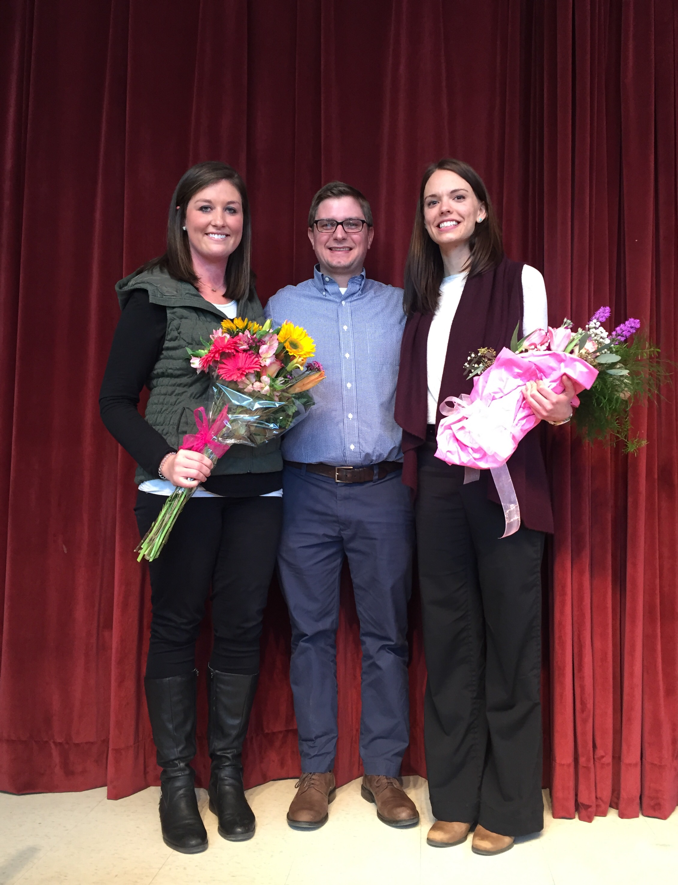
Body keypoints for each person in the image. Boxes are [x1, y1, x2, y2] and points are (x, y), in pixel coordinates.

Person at [100, 161, 283, 853]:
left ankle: (227, 775)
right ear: (182, 217)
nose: (219, 221)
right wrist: (165, 459)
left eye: (231, 209)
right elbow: (114, 401)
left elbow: (262, 395)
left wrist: (275, 400)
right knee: (176, 626)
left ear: (243, 223)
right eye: (206, 207)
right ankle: (176, 781)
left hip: (258, 490)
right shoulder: (154, 295)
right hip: (179, 491)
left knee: (241, 626)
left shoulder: (253, 303)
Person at [395, 159, 575, 856]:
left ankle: (509, 804)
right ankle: (455, 798)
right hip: (437, 477)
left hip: (505, 475)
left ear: (481, 210)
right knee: (448, 637)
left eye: (458, 196)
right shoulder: (419, 295)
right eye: (432, 200)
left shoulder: (519, 279)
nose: (445, 208)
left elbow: (544, 376)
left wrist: (559, 406)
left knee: (510, 637)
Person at [265, 182, 418, 831]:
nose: (339, 234)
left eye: (352, 223)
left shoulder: (401, 305)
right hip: (305, 488)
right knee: (310, 633)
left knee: (387, 634)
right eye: (327, 224)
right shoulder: (281, 306)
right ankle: (316, 771)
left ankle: (383, 770)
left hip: (383, 489)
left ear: (370, 234)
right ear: (310, 234)